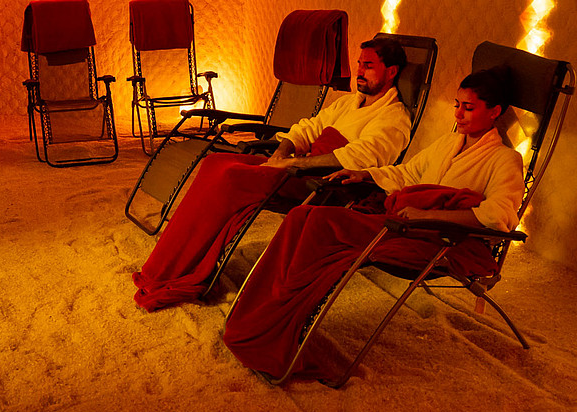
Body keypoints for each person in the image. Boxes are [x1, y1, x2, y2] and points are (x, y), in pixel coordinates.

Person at [222, 66, 525, 380]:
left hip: (440, 240)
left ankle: (273, 332)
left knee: (321, 227)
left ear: (495, 112)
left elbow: (499, 215)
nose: (459, 115)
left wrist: (427, 215)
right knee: (301, 215)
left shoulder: (505, 159)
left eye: (469, 108)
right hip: (404, 224)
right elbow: (407, 174)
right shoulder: (448, 144)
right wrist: (364, 174)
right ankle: (260, 319)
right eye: (457, 106)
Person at [133, 36, 415, 311]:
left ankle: (179, 271)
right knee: (215, 162)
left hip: (322, 185)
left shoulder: (394, 117)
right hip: (295, 167)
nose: (359, 71)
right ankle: (170, 263)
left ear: (391, 72)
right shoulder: (349, 103)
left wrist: (292, 165)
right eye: (358, 63)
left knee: (233, 179)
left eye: (368, 65)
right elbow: (308, 127)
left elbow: (359, 159)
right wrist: (282, 152)